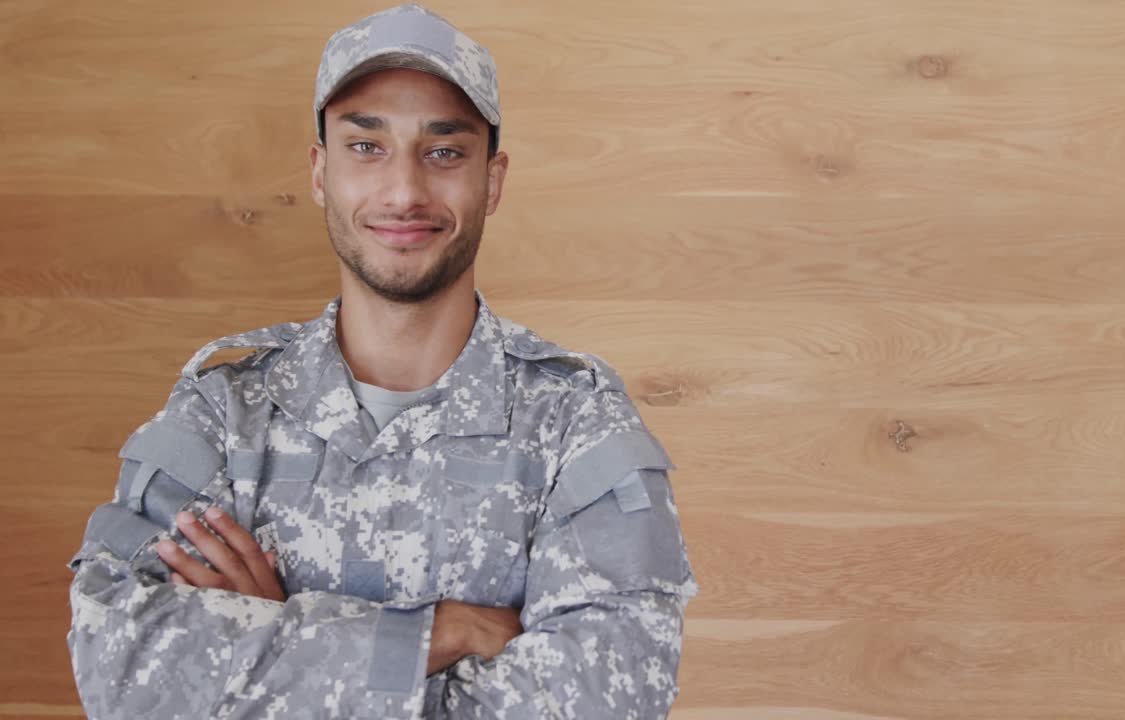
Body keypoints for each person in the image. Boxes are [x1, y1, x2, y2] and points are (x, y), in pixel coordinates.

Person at [64, 4, 698, 718]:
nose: (403, 192)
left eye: (444, 152)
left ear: (492, 181)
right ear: (319, 172)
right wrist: (443, 632)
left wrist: (277, 639)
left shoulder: (576, 422)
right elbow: (120, 667)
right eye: (366, 146)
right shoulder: (224, 410)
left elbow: (609, 698)